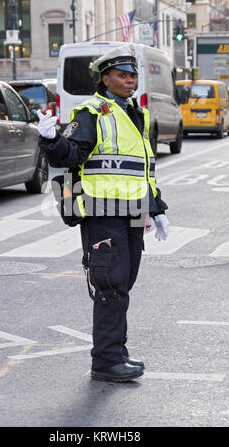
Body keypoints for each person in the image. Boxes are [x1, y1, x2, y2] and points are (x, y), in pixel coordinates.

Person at [37, 45, 169, 383]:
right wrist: (51, 139)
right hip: (104, 212)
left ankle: (117, 351)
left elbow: (143, 170)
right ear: (105, 78)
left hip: (134, 211)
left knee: (124, 283)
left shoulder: (135, 113)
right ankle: (106, 361)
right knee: (110, 285)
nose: (130, 80)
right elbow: (70, 155)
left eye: (132, 75)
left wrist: (157, 209)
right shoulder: (92, 111)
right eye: (122, 75)